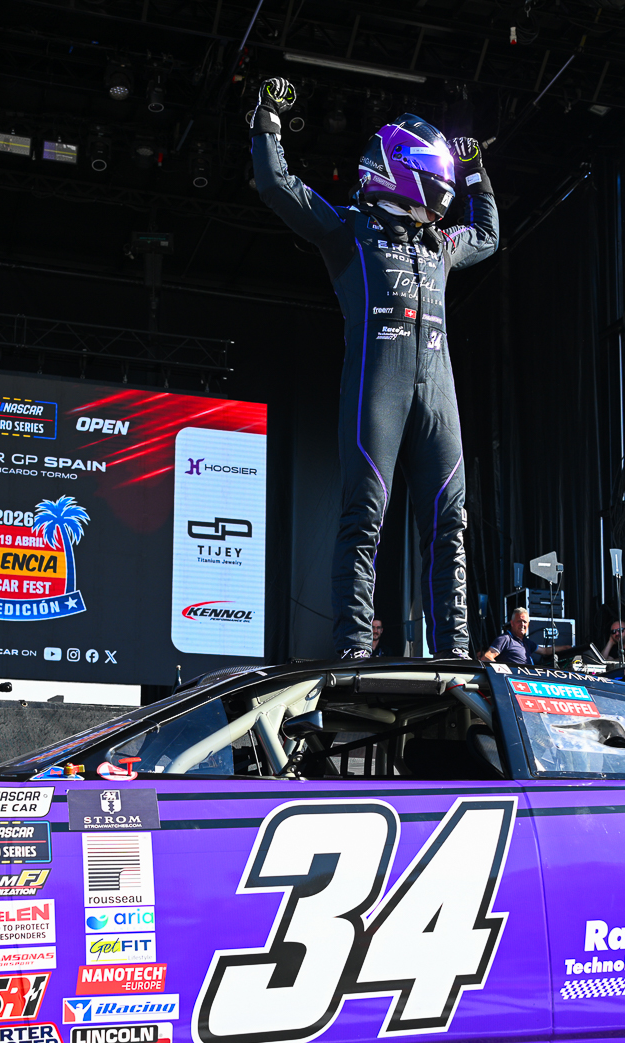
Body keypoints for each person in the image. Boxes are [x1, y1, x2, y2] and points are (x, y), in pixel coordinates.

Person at [250, 78, 497, 661]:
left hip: (439, 398)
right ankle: (354, 647)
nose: (442, 194)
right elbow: (277, 186)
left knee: (450, 527)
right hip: (377, 391)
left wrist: (480, 174)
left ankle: (455, 651)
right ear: (404, 169)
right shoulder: (349, 232)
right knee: (365, 517)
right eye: (438, 179)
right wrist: (266, 119)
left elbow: (487, 236)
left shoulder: (439, 244)